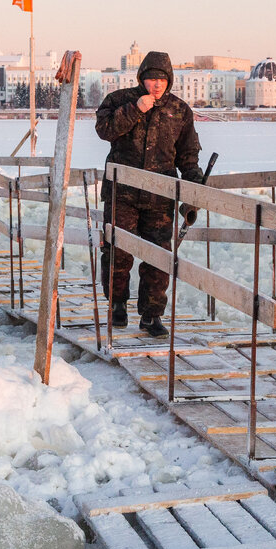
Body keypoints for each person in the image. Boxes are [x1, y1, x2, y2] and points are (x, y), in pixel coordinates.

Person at [96, 51, 205, 338]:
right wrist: (136, 109)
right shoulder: (119, 100)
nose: (156, 84)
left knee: (158, 257)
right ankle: (117, 304)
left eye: (161, 79)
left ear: (168, 81)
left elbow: (188, 156)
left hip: (160, 198)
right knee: (118, 252)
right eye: (151, 78)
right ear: (141, 78)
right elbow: (104, 130)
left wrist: (195, 188)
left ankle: (151, 314)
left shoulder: (179, 110)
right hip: (123, 193)